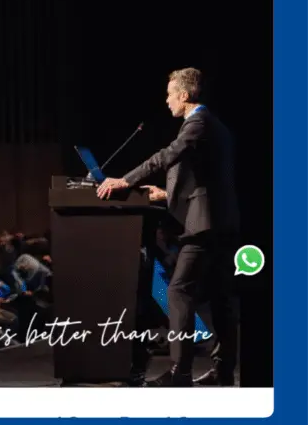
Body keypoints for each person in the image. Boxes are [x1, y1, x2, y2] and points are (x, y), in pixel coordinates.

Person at [97, 68, 239, 386]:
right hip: (218, 222)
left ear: (184, 96)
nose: (166, 100)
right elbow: (203, 178)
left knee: (178, 291)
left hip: (205, 225)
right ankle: (224, 369)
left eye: (170, 93)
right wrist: (164, 193)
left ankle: (181, 371)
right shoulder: (211, 125)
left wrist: (125, 180)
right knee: (220, 297)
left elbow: (167, 156)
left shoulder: (198, 122)